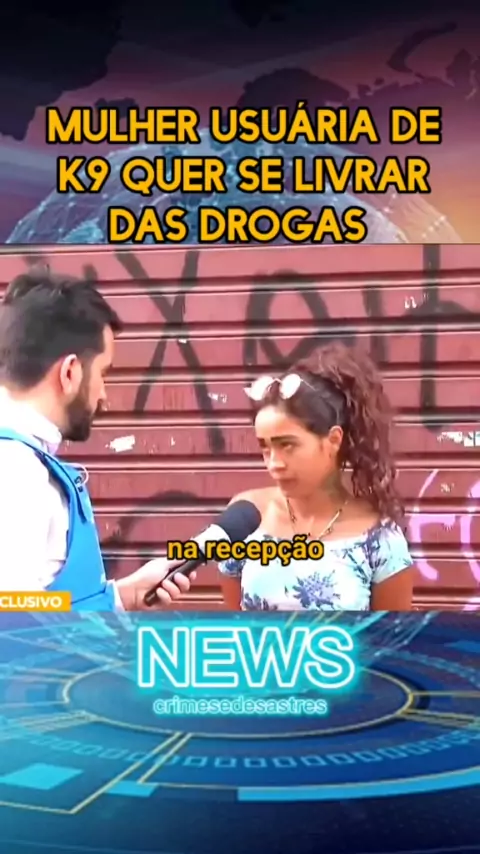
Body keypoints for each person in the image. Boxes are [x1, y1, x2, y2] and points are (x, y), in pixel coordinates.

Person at [0, 267, 193, 611]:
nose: (104, 394)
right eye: (103, 374)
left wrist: (120, 597)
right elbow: (14, 621)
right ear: (70, 372)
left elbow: (30, 606)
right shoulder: (16, 472)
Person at [218, 343, 413, 611]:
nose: (274, 463)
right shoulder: (246, 518)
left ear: (333, 440)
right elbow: (235, 622)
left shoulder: (379, 539)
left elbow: (391, 635)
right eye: (265, 447)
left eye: (287, 445)